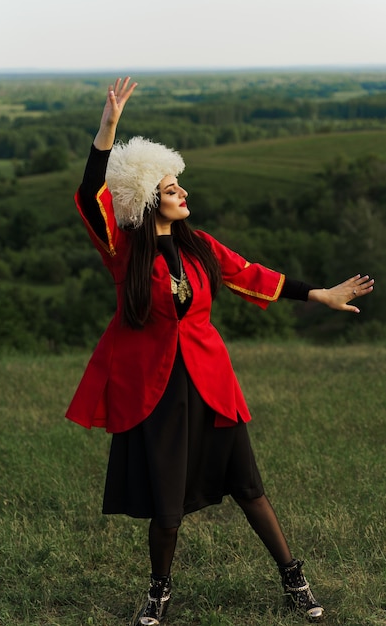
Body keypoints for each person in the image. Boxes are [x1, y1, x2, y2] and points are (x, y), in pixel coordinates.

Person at [66, 77, 374, 625]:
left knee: (250, 488)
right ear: (144, 199)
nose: (182, 193)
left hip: (211, 383)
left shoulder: (200, 245)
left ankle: (293, 580)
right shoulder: (125, 251)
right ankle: (159, 592)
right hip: (157, 392)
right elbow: (93, 195)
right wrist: (108, 128)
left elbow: (251, 274)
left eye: (180, 185)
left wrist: (319, 293)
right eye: (169, 188)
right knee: (167, 508)